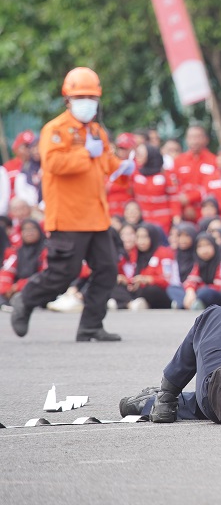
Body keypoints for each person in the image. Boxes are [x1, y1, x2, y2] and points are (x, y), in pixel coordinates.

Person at [10, 67, 134, 342]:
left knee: (107, 269)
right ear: (67, 98)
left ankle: (90, 326)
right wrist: (82, 153)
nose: (87, 101)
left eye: (91, 96)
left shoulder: (98, 132)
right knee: (62, 274)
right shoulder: (55, 129)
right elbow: (53, 163)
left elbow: (107, 164)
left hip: (96, 216)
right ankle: (25, 300)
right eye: (81, 96)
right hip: (67, 216)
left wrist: (123, 168)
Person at [182, 232, 221, 310]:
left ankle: (187, 303)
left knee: (205, 292)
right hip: (200, 292)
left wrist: (197, 290)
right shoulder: (199, 263)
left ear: (214, 246)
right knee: (175, 288)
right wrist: (190, 291)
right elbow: (191, 280)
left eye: (207, 245)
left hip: (216, 295)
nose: (204, 250)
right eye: (200, 247)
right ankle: (194, 303)